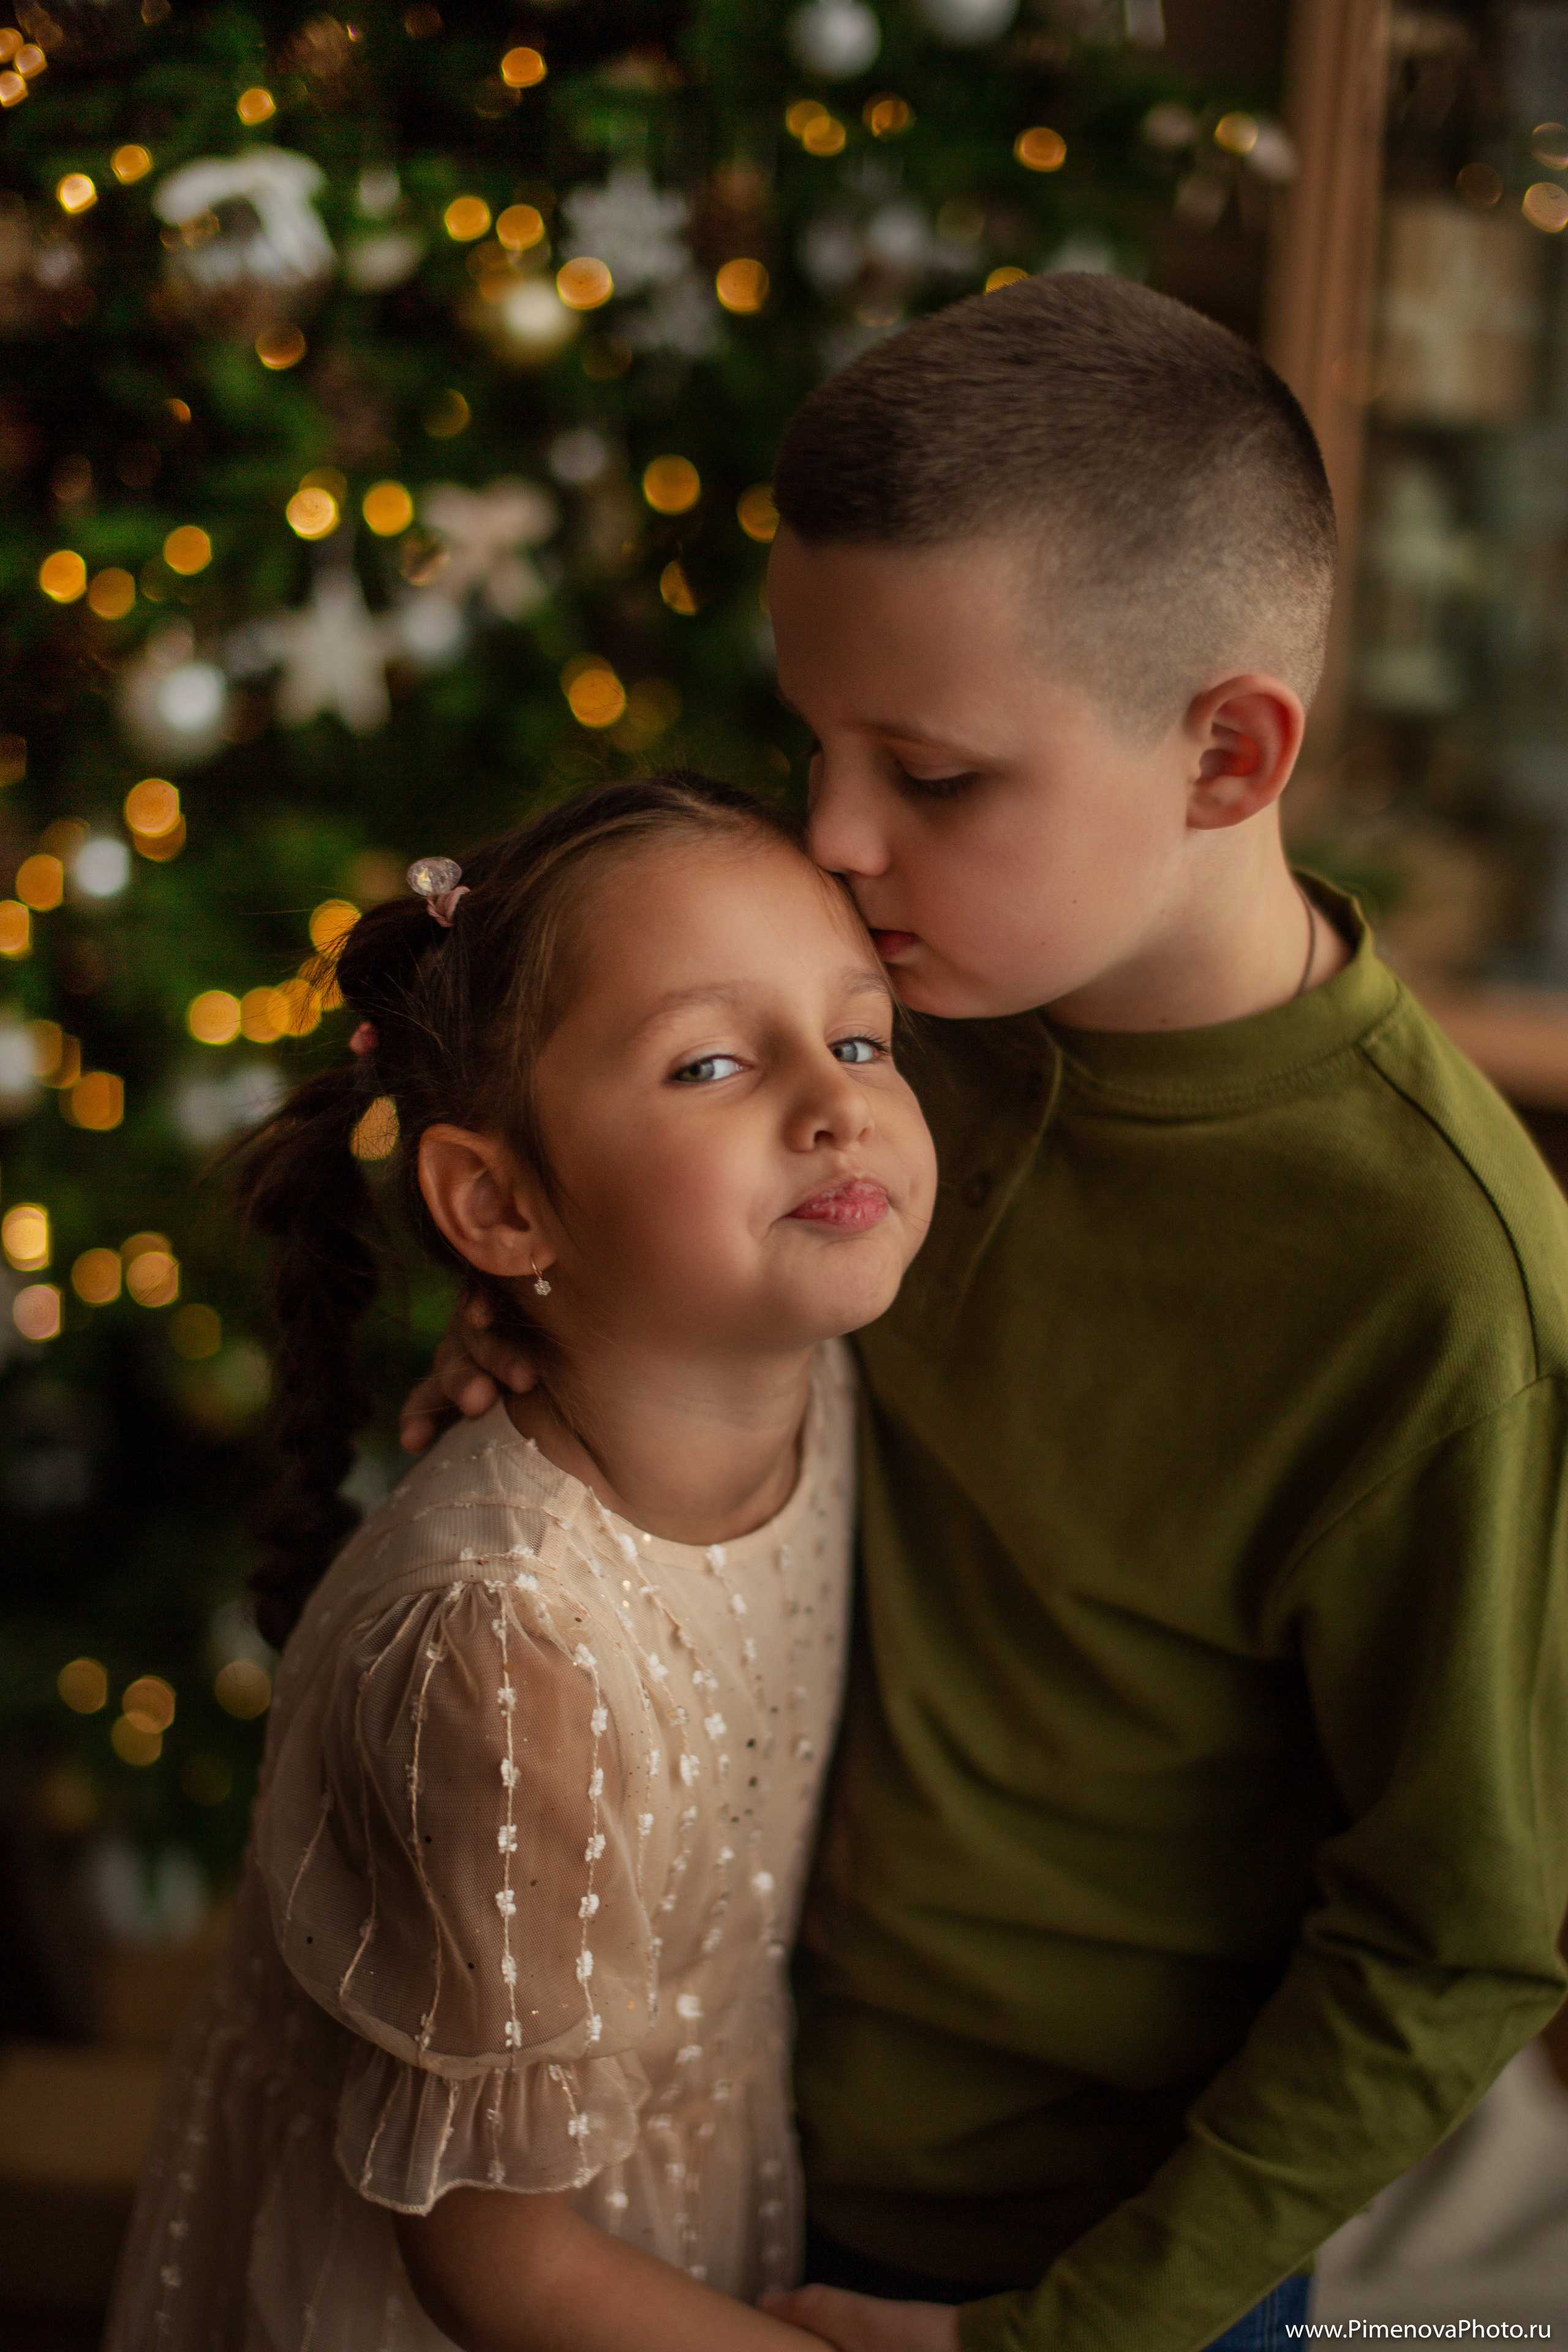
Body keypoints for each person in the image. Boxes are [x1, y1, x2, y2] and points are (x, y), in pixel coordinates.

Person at [404, 276, 1568, 2352]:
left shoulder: (1436, 1281)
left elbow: (1460, 1937)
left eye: (929, 772)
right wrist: (571, 1353)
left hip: (1076, 2268)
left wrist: (1070, 2337)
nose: (834, 840)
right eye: (818, 743)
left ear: (1226, 754)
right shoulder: (858, 1017)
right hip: (699, 2128)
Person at [104, 774, 937, 2352]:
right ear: (497, 1202)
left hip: (685, 2216)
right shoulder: (508, 1654)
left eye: (861, 1037)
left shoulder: (810, 1361)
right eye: (708, 1061)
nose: (838, 1105)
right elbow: (499, 2269)